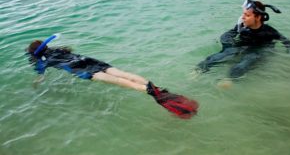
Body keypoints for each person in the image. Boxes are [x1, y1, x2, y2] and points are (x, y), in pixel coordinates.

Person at [27, 35, 198, 119]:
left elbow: (41, 75)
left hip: (82, 70)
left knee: (118, 81)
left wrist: (37, 82)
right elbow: (70, 48)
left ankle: (153, 93)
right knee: (122, 74)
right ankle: (154, 87)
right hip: (89, 60)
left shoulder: (43, 61)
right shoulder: (57, 50)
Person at [197, 0, 290, 78]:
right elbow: (227, 35)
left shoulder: (269, 31)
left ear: (258, 17)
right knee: (223, 54)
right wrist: (229, 44)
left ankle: (229, 80)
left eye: (247, 15)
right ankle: (198, 71)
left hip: (257, 50)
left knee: (246, 61)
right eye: (243, 14)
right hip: (241, 46)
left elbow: (288, 42)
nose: (243, 17)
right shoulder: (241, 27)